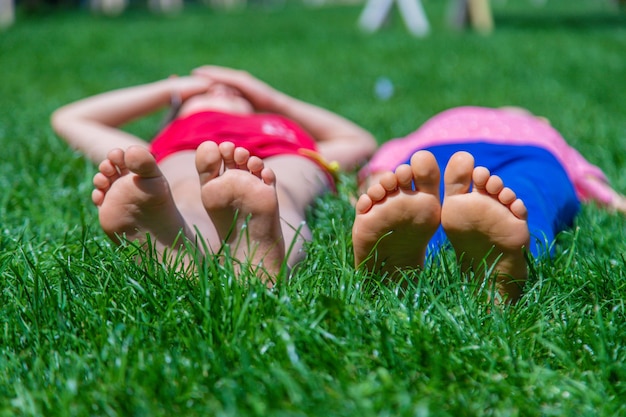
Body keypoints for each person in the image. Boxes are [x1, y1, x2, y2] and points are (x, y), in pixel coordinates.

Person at [51, 65, 377, 284]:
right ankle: (175, 245)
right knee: (184, 189)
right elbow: (69, 118)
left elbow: (361, 142)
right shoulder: (167, 137)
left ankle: (256, 252)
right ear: (174, 112)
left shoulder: (289, 133)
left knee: (281, 191)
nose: (223, 92)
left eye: (238, 92)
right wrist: (171, 89)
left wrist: (272, 99)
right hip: (187, 152)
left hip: (283, 156)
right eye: (204, 93)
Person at [352, 106, 626, 303]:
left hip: (521, 151)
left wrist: (372, 183)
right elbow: (586, 177)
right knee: (524, 195)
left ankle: (409, 263)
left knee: (522, 197)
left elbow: (582, 173)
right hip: (446, 148)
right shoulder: (443, 121)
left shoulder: (544, 131)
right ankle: (402, 257)